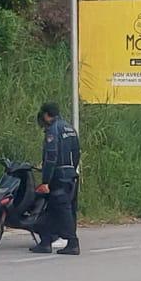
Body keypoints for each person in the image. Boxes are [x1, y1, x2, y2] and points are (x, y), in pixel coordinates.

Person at [31, 100, 81, 256]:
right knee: (52, 209)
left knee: (61, 210)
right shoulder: (69, 128)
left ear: (46, 115)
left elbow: (51, 157)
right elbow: (77, 152)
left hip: (58, 176)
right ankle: (46, 241)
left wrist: (45, 181)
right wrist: (71, 170)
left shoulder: (53, 130)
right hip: (70, 175)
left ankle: (72, 242)